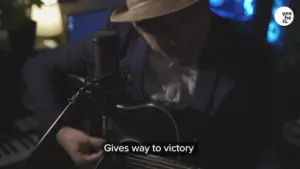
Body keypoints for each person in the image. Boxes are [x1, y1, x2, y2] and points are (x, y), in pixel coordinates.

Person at [22, 0, 281, 168]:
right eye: (158, 28)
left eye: (189, 17)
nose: (180, 38)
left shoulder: (250, 55)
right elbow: (38, 68)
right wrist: (62, 131)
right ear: (136, 24)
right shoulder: (117, 40)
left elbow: (267, 145)